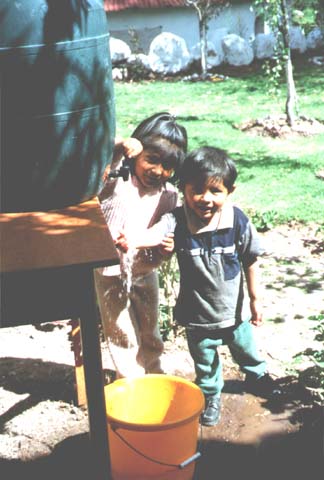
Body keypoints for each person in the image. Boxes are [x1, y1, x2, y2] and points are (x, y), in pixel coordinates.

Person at [119, 146, 281, 426]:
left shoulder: (237, 221)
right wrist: (133, 240)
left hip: (235, 312)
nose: (205, 199)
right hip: (197, 316)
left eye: (215, 191)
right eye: (197, 191)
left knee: (247, 351)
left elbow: (251, 259)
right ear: (183, 190)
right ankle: (210, 395)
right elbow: (157, 232)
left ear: (230, 191)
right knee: (205, 363)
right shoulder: (179, 220)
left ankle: (257, 377)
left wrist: (256, 300)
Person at [94, 112, 188, 379]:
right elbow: (98, 153)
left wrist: (165, 250)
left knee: (150, 329)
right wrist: (120, 146)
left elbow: (165, 233)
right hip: (109, 274)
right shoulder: (117, 181)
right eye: (152, 160)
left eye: (167, 166)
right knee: (121, 331)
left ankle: (155, 373)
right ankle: (131, 380)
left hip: (146, 272)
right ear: (136, 154)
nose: (158, 171)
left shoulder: (169, 195)